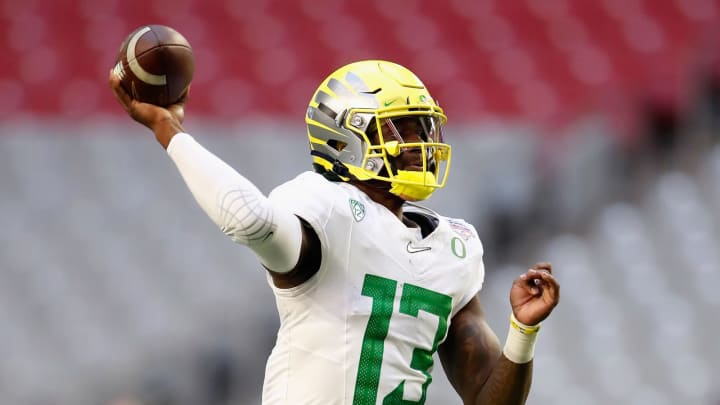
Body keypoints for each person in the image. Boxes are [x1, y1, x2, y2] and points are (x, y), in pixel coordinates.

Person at [109, 60, 560, 405]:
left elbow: (487, 397)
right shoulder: (327, 209)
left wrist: (522, 330)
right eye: (402, 129)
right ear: (347, 138)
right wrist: (170, 131)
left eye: (425, 127)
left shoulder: (453, 246)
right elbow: (250, 220)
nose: (421, 144)